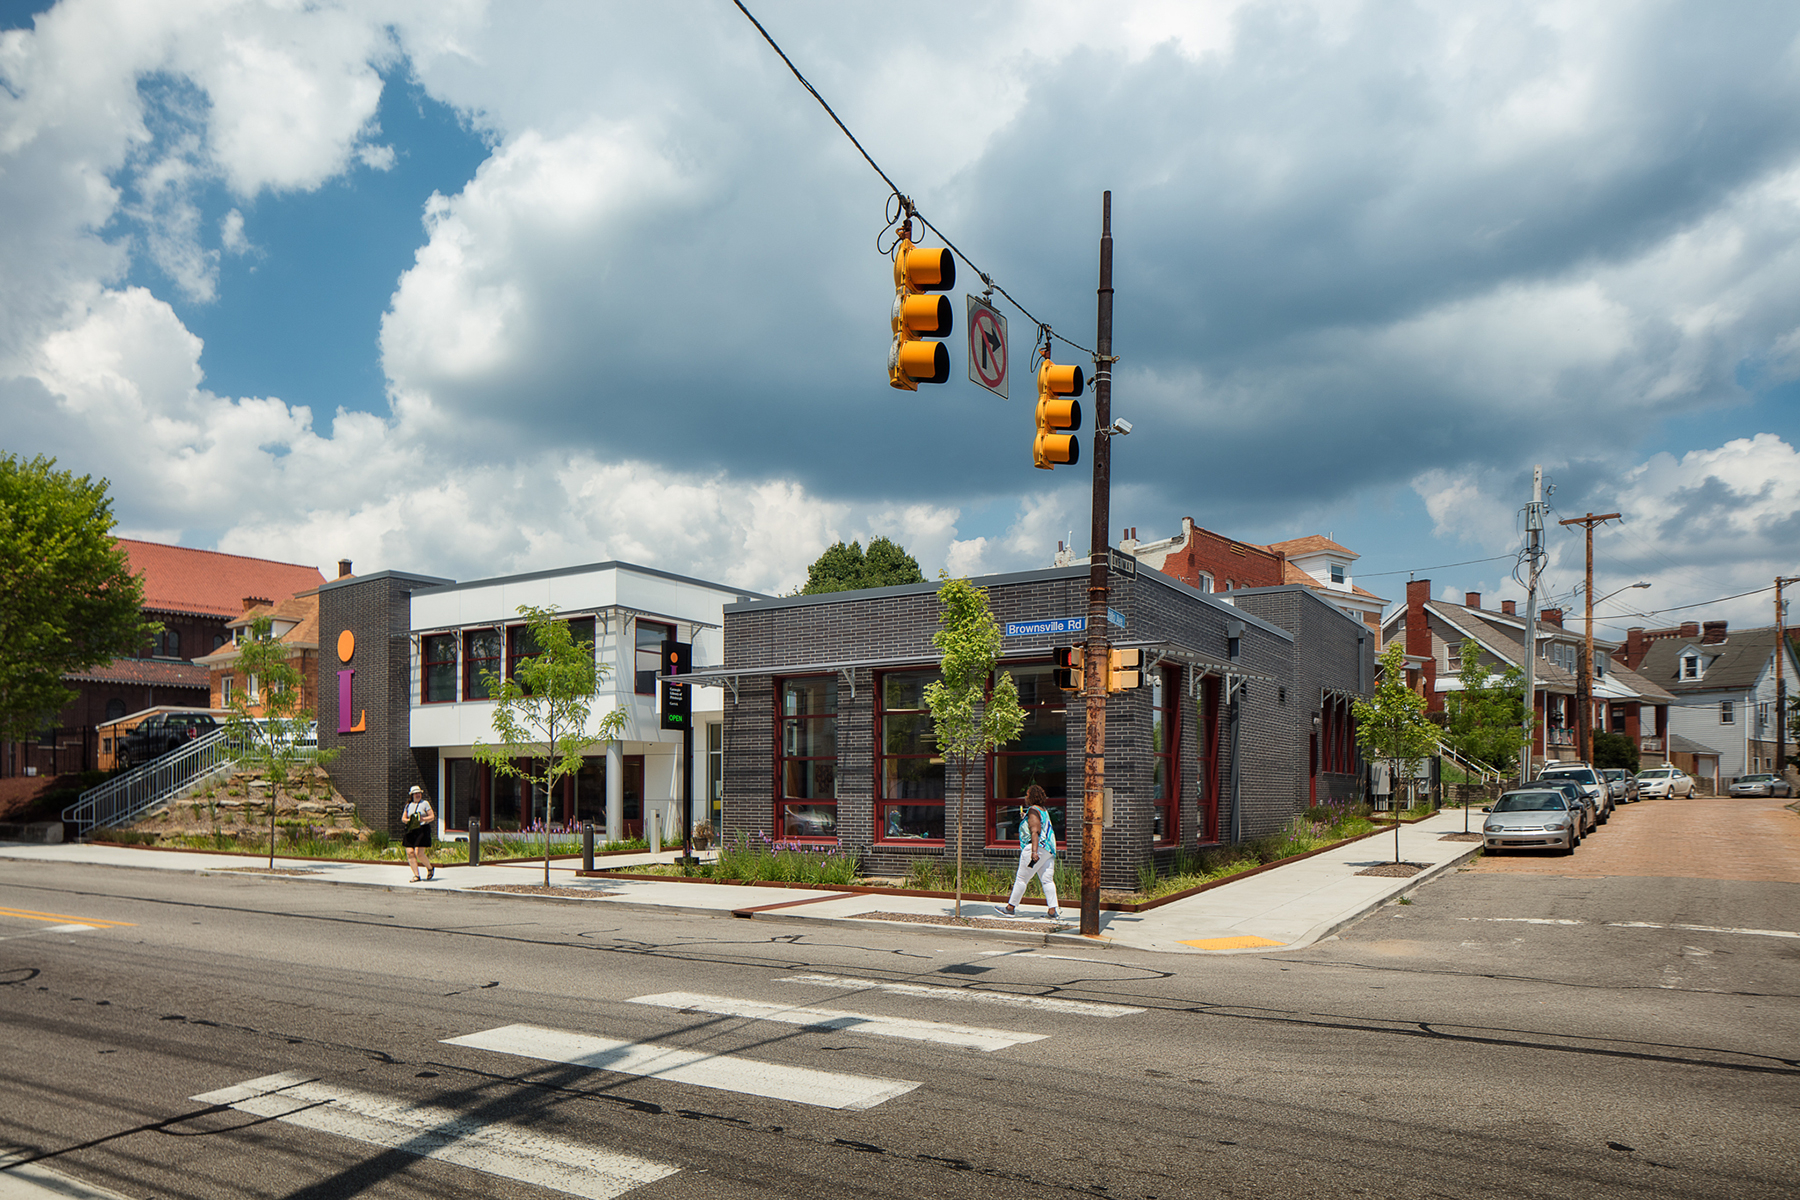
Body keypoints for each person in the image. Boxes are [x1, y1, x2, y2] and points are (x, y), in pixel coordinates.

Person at [996, 784, 1058, 918]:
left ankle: (1010, 908)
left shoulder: (1033, 810)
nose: (1025, 797)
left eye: (1027, 794)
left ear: (1032, 796)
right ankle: (1052, 911)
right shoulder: (1042, 810)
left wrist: (1034, 852)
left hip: (1036, 848)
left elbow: (1035, 831)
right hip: (1048, 850)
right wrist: (1026, 817)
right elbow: (1039, 824)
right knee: (1047, 880)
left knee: (1021, 879)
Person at [402, 784, 436, 882]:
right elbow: (403, 818)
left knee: (419, 853)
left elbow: (432, 816)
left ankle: (430, 868)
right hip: (411, 830)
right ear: (412, 795)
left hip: (422, 829)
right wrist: (410, 821)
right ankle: (416, 875)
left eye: (419, 793)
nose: (418, 795)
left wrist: (422, 819)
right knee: (410, 852)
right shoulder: (408, 805)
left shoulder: (425, 803)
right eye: (416, 793)